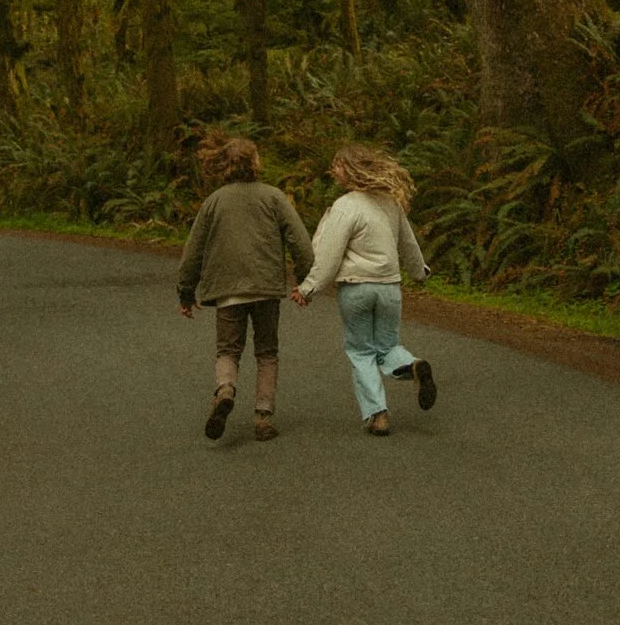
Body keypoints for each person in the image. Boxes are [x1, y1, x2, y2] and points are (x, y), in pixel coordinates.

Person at [176, 134, 315, 442]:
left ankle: (225, 389)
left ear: (225, 166)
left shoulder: (214, 201)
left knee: (228, 349)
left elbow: (193, 250)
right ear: (255, 164)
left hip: (227, 290)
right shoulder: (274, 197)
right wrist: (306, 280)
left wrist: (186, 292)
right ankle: (263, 416)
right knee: (267, 352)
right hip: (266, 288)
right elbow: (300, 241)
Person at [292, 144, 436, 436]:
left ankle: (378, 415)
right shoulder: (390, 203)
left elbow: (329, 256)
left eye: (337, 166)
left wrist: (308, 288)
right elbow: (408, 244)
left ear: (351, 169)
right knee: (388, 346)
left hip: (356, 289)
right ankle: (413, 364)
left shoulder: (346, 207)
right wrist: (419, 272)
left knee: (361, 352)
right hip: (389, 288)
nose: (333, 171)